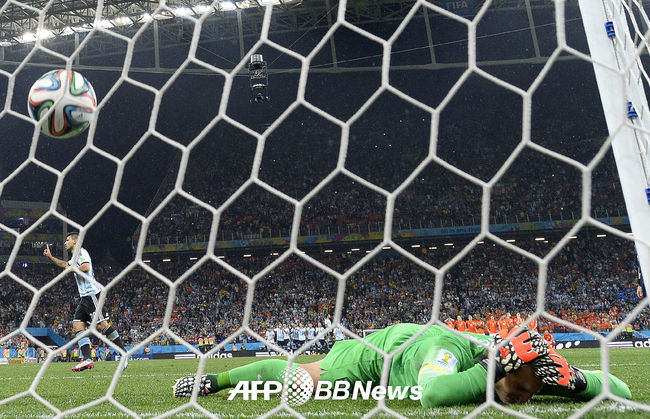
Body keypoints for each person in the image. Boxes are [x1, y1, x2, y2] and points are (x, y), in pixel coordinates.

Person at [172, 323, 631, 406]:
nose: (527, 398)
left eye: (534, 390)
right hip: (378, 355)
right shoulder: (452, 354)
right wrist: (489, 371)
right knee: (301, 381)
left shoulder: (530, 367)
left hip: (418, 343)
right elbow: (433, 394)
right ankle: (214, 380)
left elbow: (619, 388)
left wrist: (577, 382)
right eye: (523, 389)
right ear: (501, 366)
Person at [43, 232, 128, 372]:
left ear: (75, 241)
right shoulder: (74, 257)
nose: (65, 242)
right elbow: (65, 264)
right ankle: (88, 359)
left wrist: (72, 269)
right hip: (84, 297)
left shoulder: (82, 252)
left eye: (67, 240)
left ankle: (124, 354)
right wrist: (51, 258)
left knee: (102, 326)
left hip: (92, 295)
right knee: (78, 325)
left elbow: (86, 267)